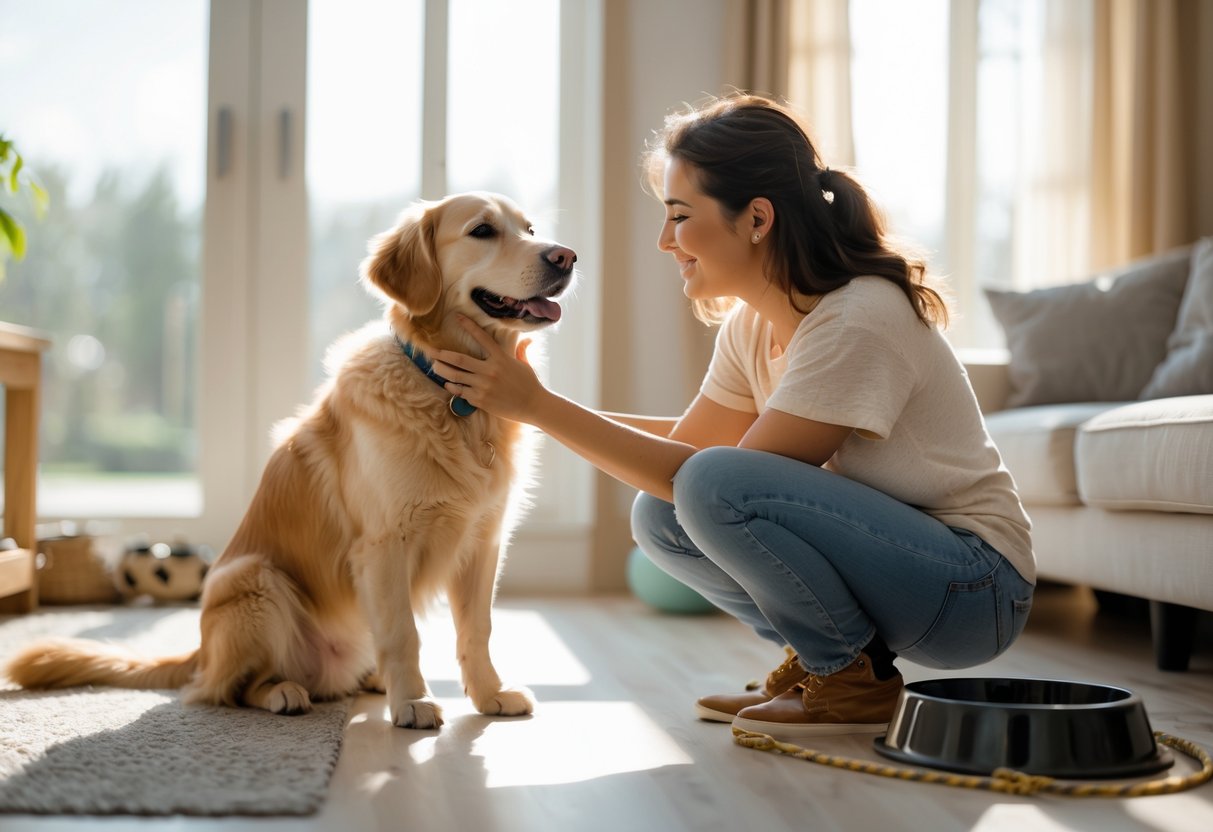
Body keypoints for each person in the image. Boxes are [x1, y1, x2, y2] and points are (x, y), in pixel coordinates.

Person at [431, 94, 1034, 740]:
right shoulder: (752, 324)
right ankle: (829, 664)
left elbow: (717, 477)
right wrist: (526, 411)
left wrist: (538, 407)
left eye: (680, 217)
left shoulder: (857, 318)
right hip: (908, 573)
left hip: (973, 589)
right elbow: (689, 454)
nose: (665, 242)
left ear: (755, 219)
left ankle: (846, 677)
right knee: (660, 516)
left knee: (704, 487)